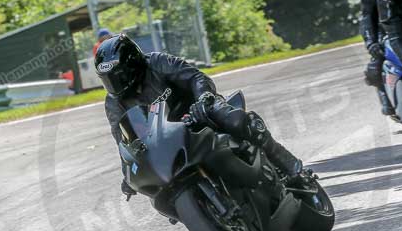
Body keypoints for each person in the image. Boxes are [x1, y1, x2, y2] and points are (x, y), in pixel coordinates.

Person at [95, 34, 312, 199]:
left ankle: (286, 163)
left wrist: (204, 98)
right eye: (108, 79)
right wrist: (128, 169)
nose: (115, 83)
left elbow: (195, 77)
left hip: (197, 111)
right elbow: (122, 136)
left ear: (133, 64)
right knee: (156, 190)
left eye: (118, 75)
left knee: (234, 120)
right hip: (164, 139)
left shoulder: (157, 63)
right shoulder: (113, 102)